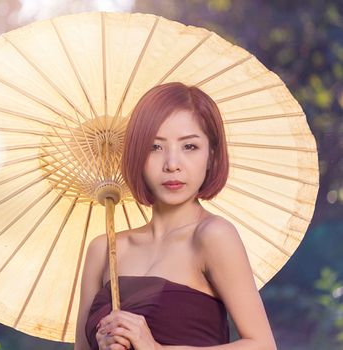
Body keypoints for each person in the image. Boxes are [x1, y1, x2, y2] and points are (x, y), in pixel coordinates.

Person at [74, 82, 277, 350]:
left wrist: (155, 348)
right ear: (136, 155)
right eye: (155, 147)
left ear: (211, 155)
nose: (172, 164)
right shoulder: (103, 249)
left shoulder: (213, 236)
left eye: (189, 146)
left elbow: (263, 346)